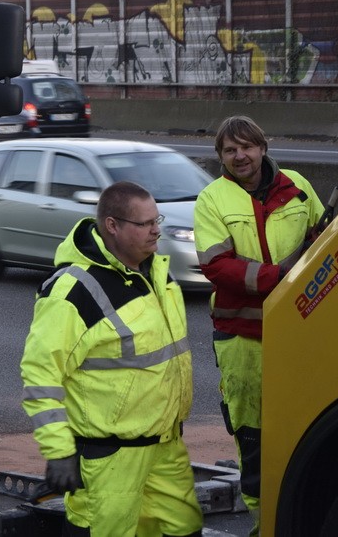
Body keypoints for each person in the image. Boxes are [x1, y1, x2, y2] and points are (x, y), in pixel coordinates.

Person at [21, 181, 203, 537]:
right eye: (145, 223)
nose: (157, 230)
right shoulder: (73, 292)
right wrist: (59, 450)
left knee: (184, 531)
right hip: (110, 460)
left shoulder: (154, 272)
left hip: (165, 448)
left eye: (157, 219)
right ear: (112, 226)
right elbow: (41, 375)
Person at [194, 116, 323, 535]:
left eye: (246, 147)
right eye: (230, 150)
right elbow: (217, 266)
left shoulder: (298, 186)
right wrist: (278, 278)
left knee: (307, 428)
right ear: (221, 157)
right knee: (254, 440)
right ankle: (263, 524)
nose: (240, 156)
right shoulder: (212, 200)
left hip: (301, 334)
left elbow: (324, 236)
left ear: (263, 148)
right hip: (243, 340)